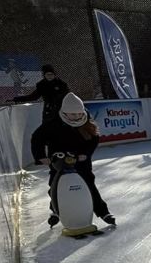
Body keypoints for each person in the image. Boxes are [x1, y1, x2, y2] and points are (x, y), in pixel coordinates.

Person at [29, 93, 115, 227]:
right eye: (73, 115)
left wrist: (86, 154)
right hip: (59, 160)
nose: (77, 117)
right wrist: (40, 156)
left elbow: (94, 138)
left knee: (89, 184)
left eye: (79, 114)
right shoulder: (53, 123)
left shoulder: (86, 119)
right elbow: (37, 138)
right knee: (56, 185)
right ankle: (56, 211)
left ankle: (103, 212)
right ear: (65, 113)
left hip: (81, 160)